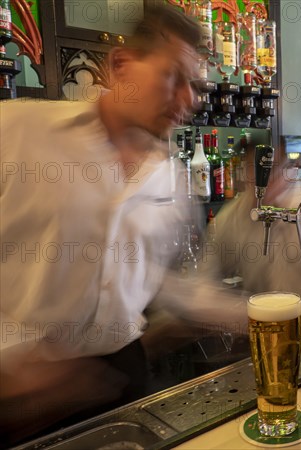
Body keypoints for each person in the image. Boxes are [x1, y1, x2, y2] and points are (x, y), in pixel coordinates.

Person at [0, 5, 246, 445]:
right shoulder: (18, 133)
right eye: (173, 76)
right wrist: (12, 358)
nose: (189, 100)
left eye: (195, 86)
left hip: (119, 380)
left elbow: (158, 280)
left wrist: (244, 315)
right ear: (121, 65)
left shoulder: (170, 176)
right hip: (14, 390)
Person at [201, 147, 301, 323]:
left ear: (292, 169)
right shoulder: (236, 214)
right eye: (253, 173)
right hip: (263, 333)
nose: (259, 182)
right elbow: (205, 273)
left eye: (271, 173)